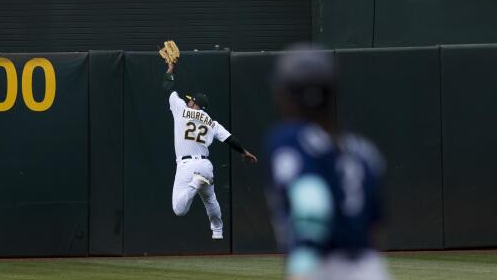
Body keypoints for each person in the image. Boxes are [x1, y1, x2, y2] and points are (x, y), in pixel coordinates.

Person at [266, 45, 390, 280]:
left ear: (287, 94)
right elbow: (376, 228)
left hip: (322, 267)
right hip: (371, 268)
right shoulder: (364, 150)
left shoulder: (290, 138)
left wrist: (302, 265)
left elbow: (311, 201)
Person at [162, 59, 258, 239]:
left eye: (191, 101)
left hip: (186, 165)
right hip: (205, 166)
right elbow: (230, 139)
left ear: (193, 104)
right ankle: (218, 231)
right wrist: (244, 152)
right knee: (210, 200)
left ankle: (194, 185)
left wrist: (170, 68)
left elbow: (167, 87)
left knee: (179, 209)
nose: (189, 102)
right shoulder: (212, 123)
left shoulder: (181, 109)